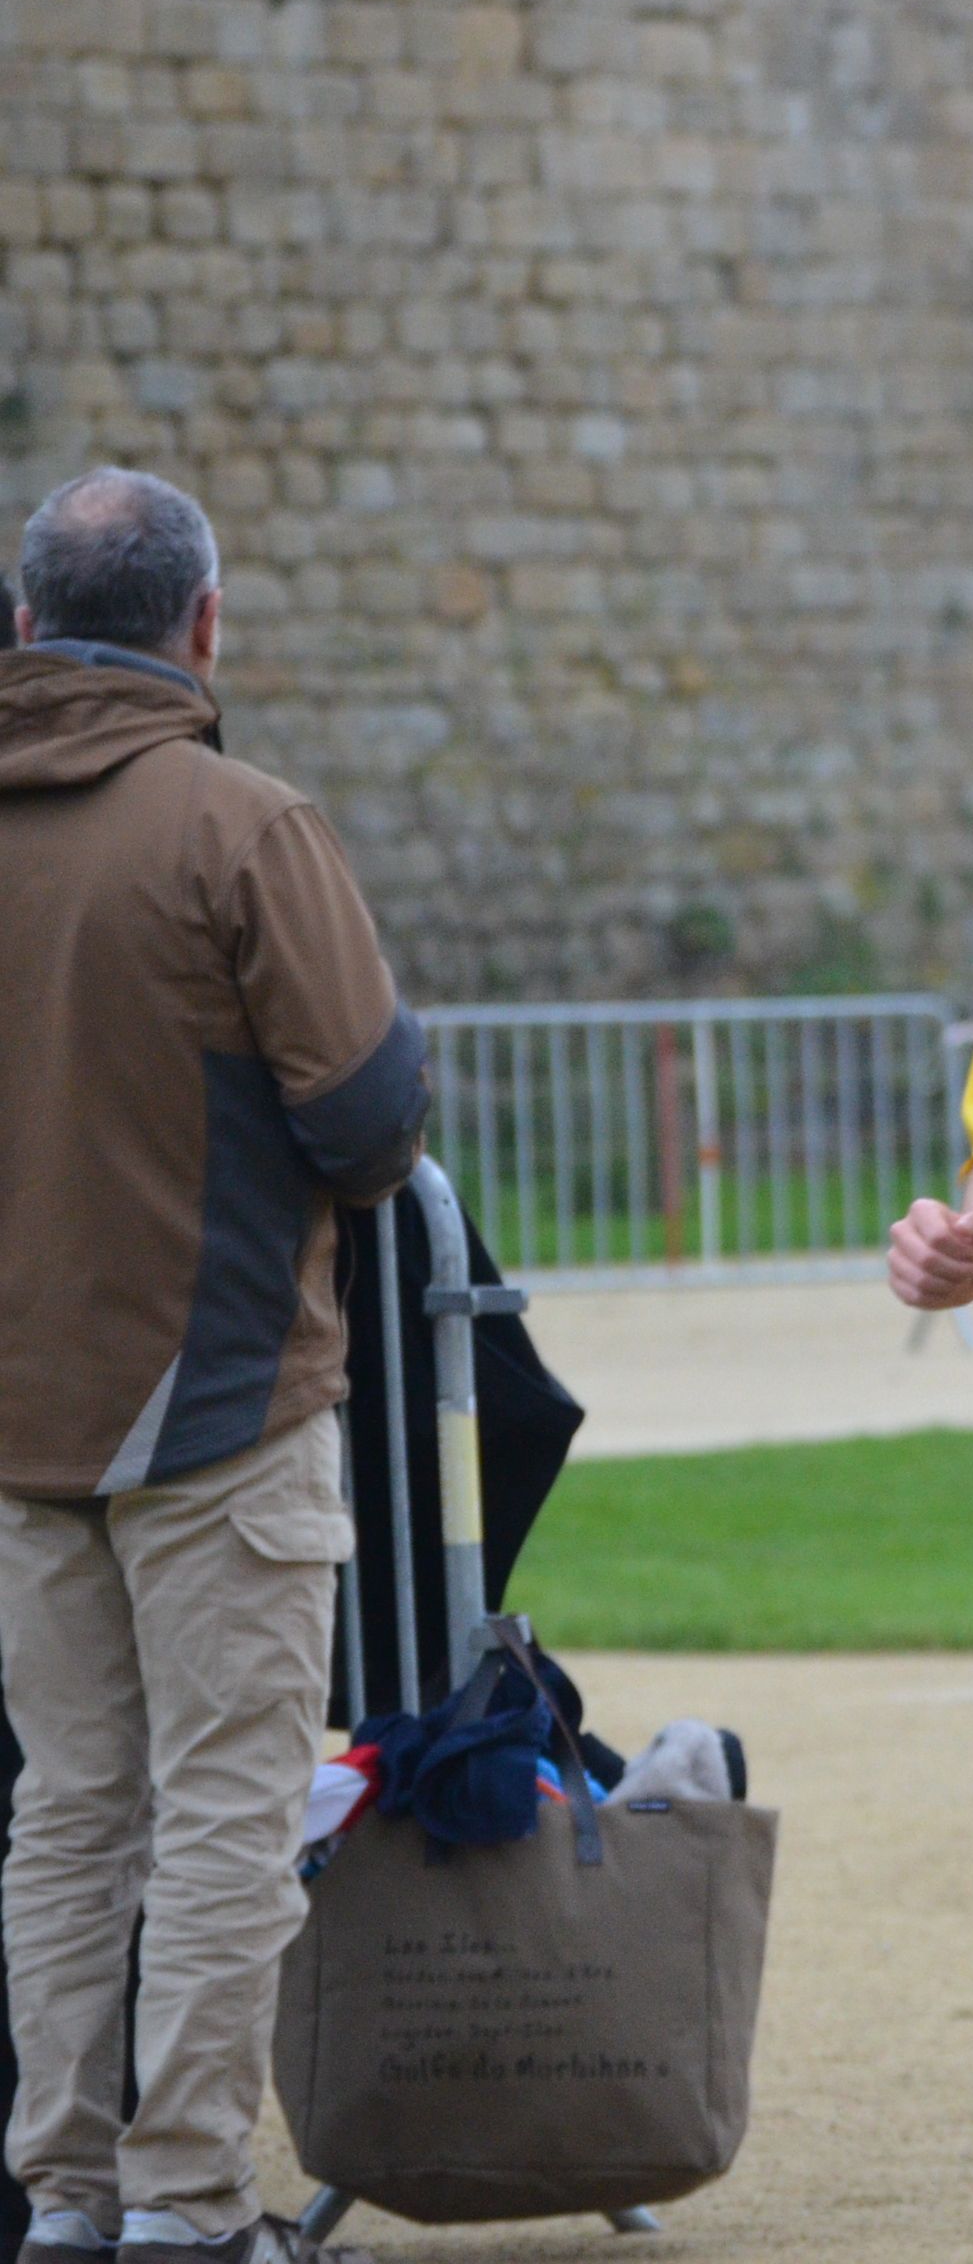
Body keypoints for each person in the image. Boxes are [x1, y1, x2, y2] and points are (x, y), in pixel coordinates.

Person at [1, 470, 429, 2264]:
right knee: (227, 1816)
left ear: (30, 624)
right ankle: (187, 2198)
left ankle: (60, 2190)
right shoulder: (240, 825)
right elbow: (374, 1121)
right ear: (204, 623)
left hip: (20, 1425)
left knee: (65, 1814)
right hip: (222, 1399)